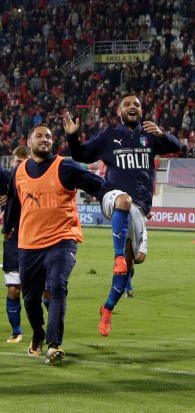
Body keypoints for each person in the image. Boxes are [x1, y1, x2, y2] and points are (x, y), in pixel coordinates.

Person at [65, 93, 181, 336]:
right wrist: (73, 136)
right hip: (112, 197)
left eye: (137, 104)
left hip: (140, 208)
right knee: (123, 200)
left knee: (133, 263)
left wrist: (162, 134)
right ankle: (118, 256)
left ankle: (107, 309)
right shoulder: (109, 136)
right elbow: (81, 155)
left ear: (141, 111)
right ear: (119, 111)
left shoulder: (149, 135)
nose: (132, 107)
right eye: (127, 104)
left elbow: (177, 147)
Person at [3, 124, 106, 365]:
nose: (45, 139)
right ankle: (37, 333)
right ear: (29, 142)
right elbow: (13, 205)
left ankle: (54, 345)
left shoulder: (66, 166)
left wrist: (117, 196)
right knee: (30, 298)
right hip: (28, 244)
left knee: (57, 287)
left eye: (49, 136)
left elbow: (97, 184)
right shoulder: (18, 172)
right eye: (39, 135)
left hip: (62, 240)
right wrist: (7, 228)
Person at [1, 146, 30, 343]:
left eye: (23, 161)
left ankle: (47, 329)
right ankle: (17, 332)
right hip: (13, 240)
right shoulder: (6, 179)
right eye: (16, 162)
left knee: (45, 290)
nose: (18, 165)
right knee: (13, 288)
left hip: (39, 238)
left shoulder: (39, 179)